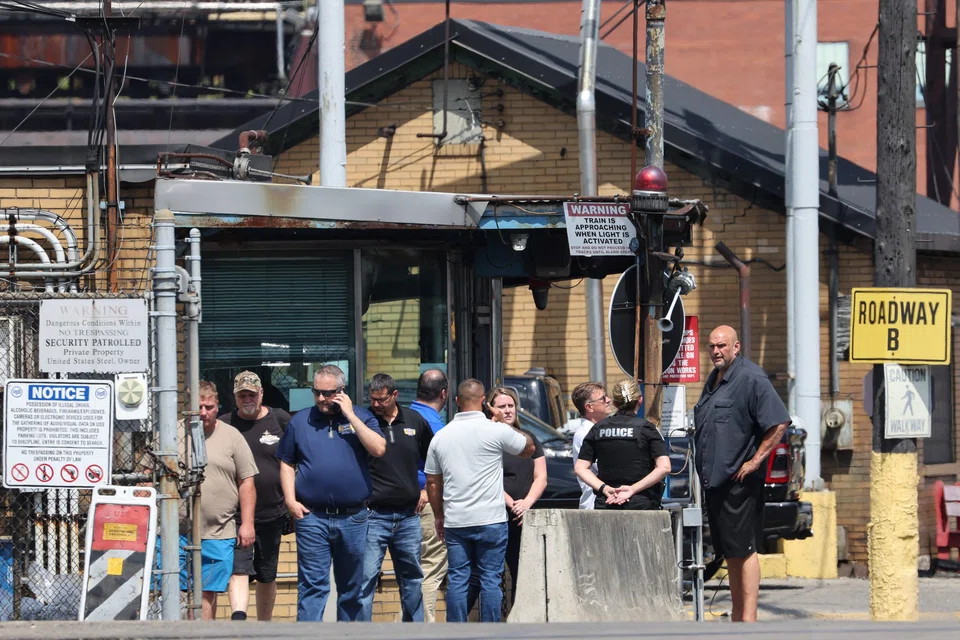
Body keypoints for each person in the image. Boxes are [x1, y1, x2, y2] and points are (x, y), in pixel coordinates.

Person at [694, 325, 790, 623]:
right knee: (731, 553)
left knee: (744, 550)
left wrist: (755, 460)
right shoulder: (715, 380)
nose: (716, 351)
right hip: (716, 482)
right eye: (711, 346)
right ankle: (738, 617)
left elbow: (778, 424)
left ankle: (748, 619)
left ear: (736, 347)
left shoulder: (751, 378)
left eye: (722, 345)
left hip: (740, 483)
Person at [275, 365, 386, 622]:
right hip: (312, 517)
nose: (322, 399)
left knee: (352, 589)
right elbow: (286, 462)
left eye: (329, 393)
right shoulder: (300, 421)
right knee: (313, 587)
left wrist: (350, 415)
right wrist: (290, 501)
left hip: (354, 518)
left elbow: (379, 448)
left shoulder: (361, 417)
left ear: (342, 391)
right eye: (317, 393)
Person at [424, 379, 535, 623]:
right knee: (490, 580)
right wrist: (502, 422)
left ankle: (456, 632)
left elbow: (432, 483)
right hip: (491, 519)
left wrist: (439, 516)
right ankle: (491, 632)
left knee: (458, 579)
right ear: (484, 402)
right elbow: (529, 449)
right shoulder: (495, 430)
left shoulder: (441, 437)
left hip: (456, 520)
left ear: (456, 401)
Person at [358, 373, 433, 622]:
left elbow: (435, 461)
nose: (376, 405)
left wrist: (427, 491)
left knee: (412, 578)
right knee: (366, 578)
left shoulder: (415, 421)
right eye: (373, 399)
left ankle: (414, 632)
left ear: (394, 395)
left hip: (408, 516)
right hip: (373, 516)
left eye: (381, 400)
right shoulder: (365, 420)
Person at [220, 371, 291, 621]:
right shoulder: (225, 423)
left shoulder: (280, 419)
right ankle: (239, 621)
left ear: (261, 394)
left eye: (252, 394)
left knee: (266, 574)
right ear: (235, 398)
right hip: (236, 515)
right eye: (242, 395)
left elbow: (294, 459)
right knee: (238, 569)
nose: (247, 399)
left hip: (272, 511)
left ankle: (263, 626)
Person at [187, 381, 259, 620]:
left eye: (209, 407)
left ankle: (203, 636)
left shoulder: (231, 436)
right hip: (177, 530)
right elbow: (148, 478)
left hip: (218, 530)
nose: (203, 412)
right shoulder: (170, 433)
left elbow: (247, 482)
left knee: (207, 592)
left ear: (217, 407)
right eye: (198, 407)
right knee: (179, 592)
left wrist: (247, 524)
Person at [485, 386, 546, 609]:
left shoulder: (528, 439)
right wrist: (511, 503)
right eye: (502, 406)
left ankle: (518, 621)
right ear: (491, 408)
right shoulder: (487, 438)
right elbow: (485, 478)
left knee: (522, 573)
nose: (508, 411)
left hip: (522, 517)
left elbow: (541, 477)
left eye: (511, 406)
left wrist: (527, 503)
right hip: (495, 516)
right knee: (492, 576)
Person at [574, 378, 671, 511]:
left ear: (615, 403)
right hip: (640, 503)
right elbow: (664, 467)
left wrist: (605, 488)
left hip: (606, 502)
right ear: (640, 400)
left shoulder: (598, 429)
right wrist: (632, 489)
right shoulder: (647, 429)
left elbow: (580, 468)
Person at [408, 368, 449, 622]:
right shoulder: (434, 425)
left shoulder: (403, 416)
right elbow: (442, 472)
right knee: (430, 568)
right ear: (444, 394)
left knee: (412, 568)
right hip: (427, 503)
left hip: (401, 504)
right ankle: (423, 626)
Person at [569, 382, 613, 510]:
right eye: (603, 398)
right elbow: (605, 466)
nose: (608, 400)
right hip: (595, 504)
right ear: (589, 407)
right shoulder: (585, 434)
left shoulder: (600, 430)